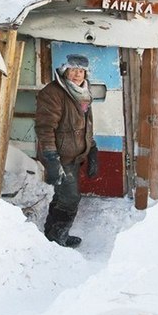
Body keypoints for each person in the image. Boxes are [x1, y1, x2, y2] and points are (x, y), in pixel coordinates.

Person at [35, 54, 99, 247]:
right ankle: (57, 237)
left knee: (62, 195)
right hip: (60, 155)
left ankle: (52, 232)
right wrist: (52, 159)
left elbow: (86, 124)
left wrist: (92, 149)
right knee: (70, 198)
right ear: (65, 71)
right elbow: (45, 128)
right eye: (73, 70)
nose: (77, 75)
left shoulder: (83, 92)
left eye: (81, 71)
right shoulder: (53, 93)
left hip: (75, 155)